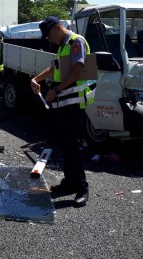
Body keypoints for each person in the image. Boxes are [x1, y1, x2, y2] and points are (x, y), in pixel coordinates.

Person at [30, 16, 94, 208]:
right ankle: (70, 183)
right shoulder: (63, 45)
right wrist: (36, 79)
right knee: (66, 144)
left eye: (50, 34)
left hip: (75, 103)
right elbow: (54, 68)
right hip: (64, 103)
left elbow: (77, 70)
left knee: (73, 145)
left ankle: (82, 188)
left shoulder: (76, 42)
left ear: (58, 28)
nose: (49, 39)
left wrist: (55, 91)